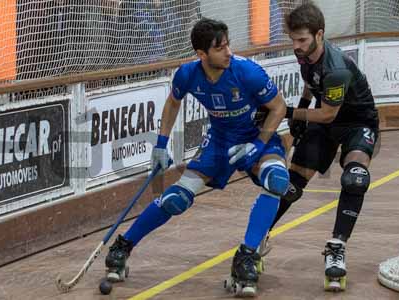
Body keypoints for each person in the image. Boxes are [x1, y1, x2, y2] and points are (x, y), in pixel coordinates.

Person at [104, 18, 289, 297]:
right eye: (220, 48)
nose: (228, 52)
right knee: (175, 200)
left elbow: (279, 107)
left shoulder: (247, 72)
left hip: (256, 136)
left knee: (276, 180)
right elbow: (173, 102)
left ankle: (247, 256)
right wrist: (160, 145)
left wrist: (259, 143)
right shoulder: (187, 74)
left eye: (228, 45)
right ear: (202, 55)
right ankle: (123, 245)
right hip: (219, 141)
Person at [259, 2, 379, 292]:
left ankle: (337, 247)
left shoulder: (336, 68)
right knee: (291, 184)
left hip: (357, 121)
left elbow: (327, 113)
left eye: (302, 40)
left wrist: (287, 113)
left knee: (355, 178)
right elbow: (312, 83)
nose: (296, 46)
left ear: (320, 34)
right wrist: (302, 106)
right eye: (293, 40)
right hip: (327, 122)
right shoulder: (307, 55)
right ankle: (259, 236)